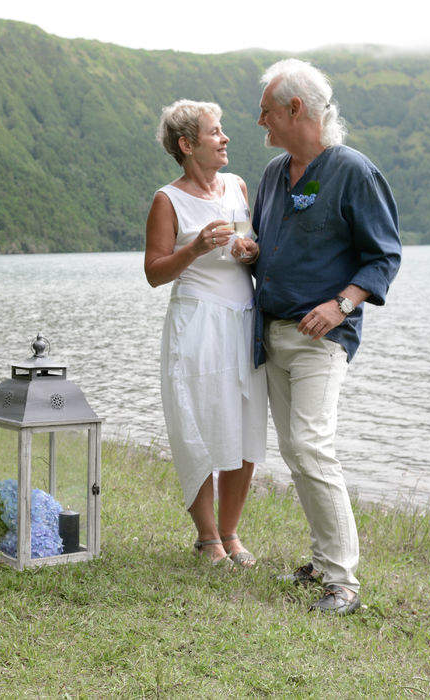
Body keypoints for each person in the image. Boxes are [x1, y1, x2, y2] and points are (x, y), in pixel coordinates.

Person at [247, 59, 401, 613]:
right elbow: (267, 244)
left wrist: (342, 305)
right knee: (293, 450)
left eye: (266, 110)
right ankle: (321, 561)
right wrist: (249, 250)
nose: (259, 120)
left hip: (322, 338)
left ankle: (343, 582)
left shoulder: (353, 171)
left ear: (296, 109)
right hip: (273, 333)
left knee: (312, 445)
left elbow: (384, 256)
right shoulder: (271, 175)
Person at [145, 99, 267, 568]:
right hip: (197, 323)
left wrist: (249, 251)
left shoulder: (236, 186)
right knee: (197, 420)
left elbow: (248, 248)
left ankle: (232, 533)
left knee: (245, 421)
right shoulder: (167, 199)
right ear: (187, 145)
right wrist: (194, 248)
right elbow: (155, 272)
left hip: (244, 317)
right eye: (216, 132)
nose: (225, 138)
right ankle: (207, 536)